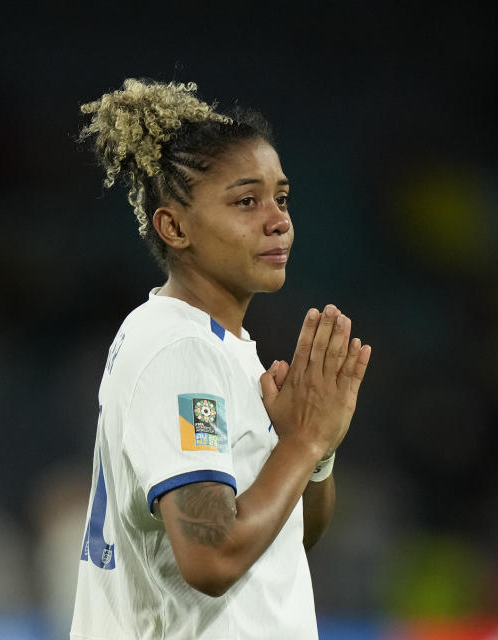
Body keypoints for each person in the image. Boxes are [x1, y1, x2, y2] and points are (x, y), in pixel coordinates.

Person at [69, 78, 372, 639]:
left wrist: (313, 452)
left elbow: (288, 535)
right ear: (174, 226)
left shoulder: (217, 347)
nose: (277, 219)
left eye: (281, 198)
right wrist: (302, 442)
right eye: (245, 201)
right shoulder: (180, 350)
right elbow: (211, 557)